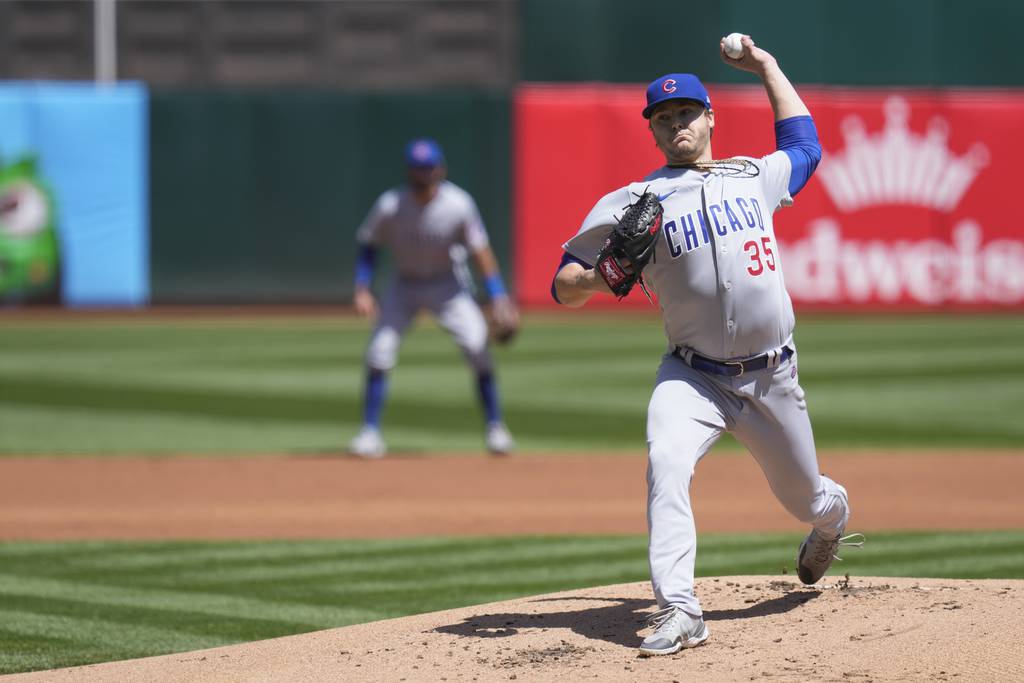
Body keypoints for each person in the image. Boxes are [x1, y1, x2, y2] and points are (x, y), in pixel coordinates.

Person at [552, 35, 862, 656]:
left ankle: (833, 518)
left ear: (709, 117)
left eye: (686, 113)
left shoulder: (753, 175)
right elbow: (562, 287)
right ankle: (679, 608)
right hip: (692, 376)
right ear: (654, 132)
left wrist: (768, 66)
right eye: (663, 119)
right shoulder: (633, 202)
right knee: (666, 461)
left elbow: (805, 146)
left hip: (772, 376)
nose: (676, 125)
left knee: (805, 498)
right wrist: (600, 276)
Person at [349, 138, 518, 458]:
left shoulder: (458, 204)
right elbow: (368, 242)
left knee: (477, 347)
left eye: (428, 168)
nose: (423, 174)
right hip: (404, 285)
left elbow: (480, 250)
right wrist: (362, 287)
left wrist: (497, 295)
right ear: (409, 171)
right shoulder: (391, 205)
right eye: (417, 168)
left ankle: (496, 428)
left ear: (440, 169)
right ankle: (369, 433)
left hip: (447, 285)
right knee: (378, 352)